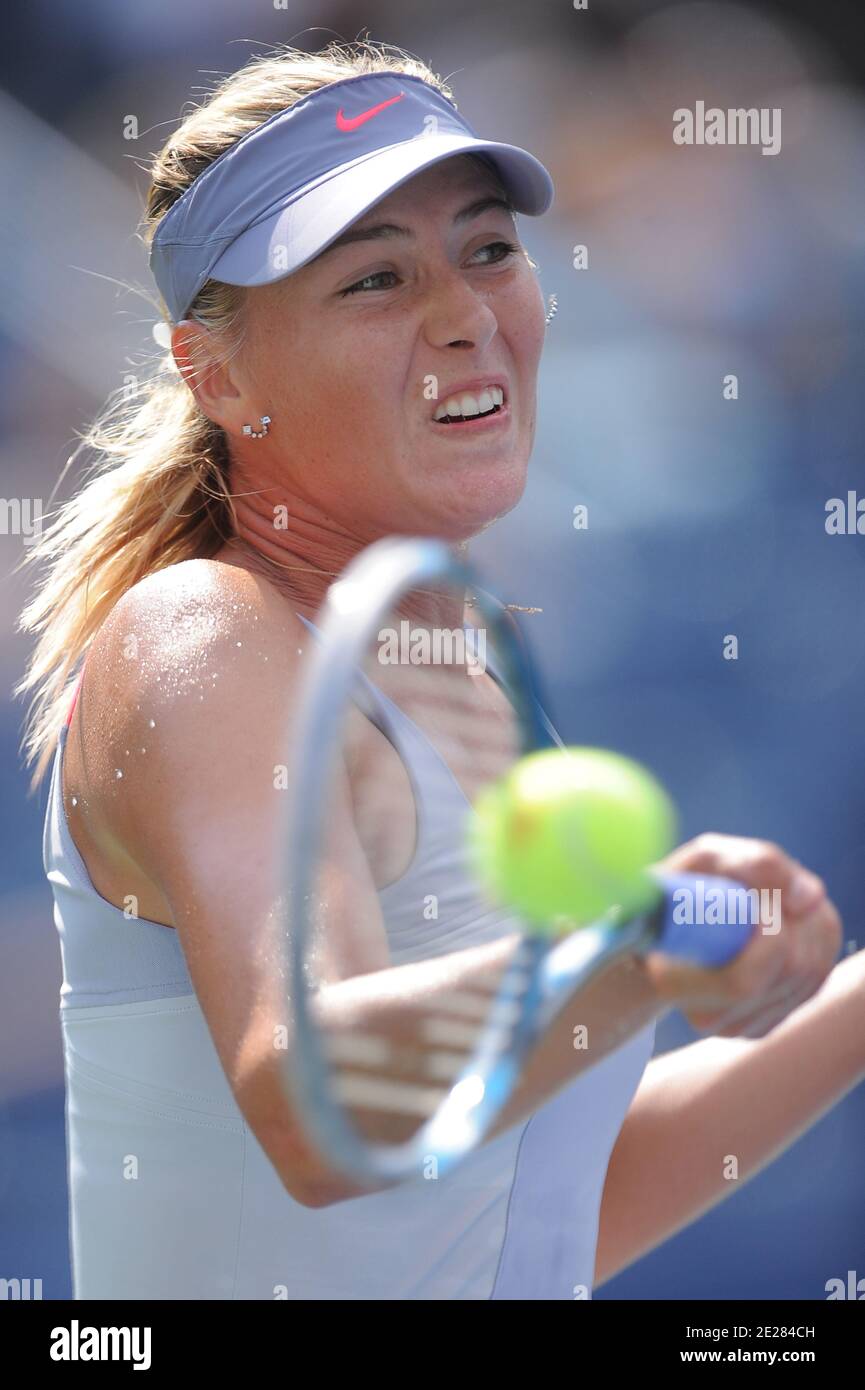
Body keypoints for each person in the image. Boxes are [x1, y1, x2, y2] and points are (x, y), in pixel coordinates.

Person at [17, 40, 860, 1301]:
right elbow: (318, 1106)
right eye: (374, 279)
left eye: (486, 249)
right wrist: (637, 947)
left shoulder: (466, 675)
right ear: (215, 370)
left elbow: (533, 1219)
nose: (464, 312)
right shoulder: (200, 632)